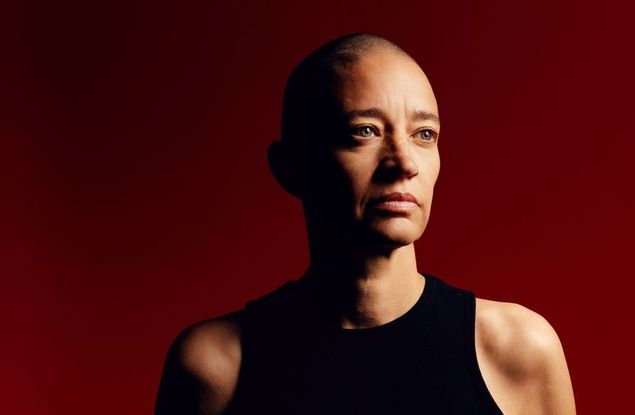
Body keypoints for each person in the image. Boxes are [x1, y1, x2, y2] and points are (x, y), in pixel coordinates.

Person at [154, 33, 576, 415]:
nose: (404, 163)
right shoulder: (217, 366)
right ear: (290, 167)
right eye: (365, 130)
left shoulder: (518, 352)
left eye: (424, 134)